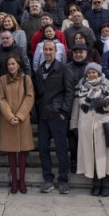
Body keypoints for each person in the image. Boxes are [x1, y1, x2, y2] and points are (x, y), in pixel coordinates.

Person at [72, 62, 109, 196]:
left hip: (104, 126)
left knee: (105, 156)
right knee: (91, 155)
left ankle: (106, 183)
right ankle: (96, 183)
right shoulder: (81, 87)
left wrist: (106, 102)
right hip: (86, 127)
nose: (91, 74)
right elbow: (76, 107)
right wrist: (74, 124)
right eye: (89, 72)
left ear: (99, 73)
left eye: (94, 72)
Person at [34, 40, 74, 194]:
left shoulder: (63, 68)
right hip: (44, 115)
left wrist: (64, 111)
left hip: (58, 115)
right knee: (43, 148)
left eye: (51, 49)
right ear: (42, 51)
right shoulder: (39, 70)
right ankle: (48, 179)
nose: (48, 52)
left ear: (56, 51)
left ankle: (63, 180)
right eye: (46, 49)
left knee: (61, 149)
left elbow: (69, 92)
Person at [0, 55, 36, 194]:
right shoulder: (2, 79)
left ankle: (23, 180)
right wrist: (10, 116)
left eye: (13, 64)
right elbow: (1, 98)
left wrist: (19, 116)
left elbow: (30, 97)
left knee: (23, 152)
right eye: (9, 64)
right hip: (8, 120)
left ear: (18, 65)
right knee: (11, 152)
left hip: (23, 119)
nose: (11, 66)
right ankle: (14, 180)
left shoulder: (26, 79)